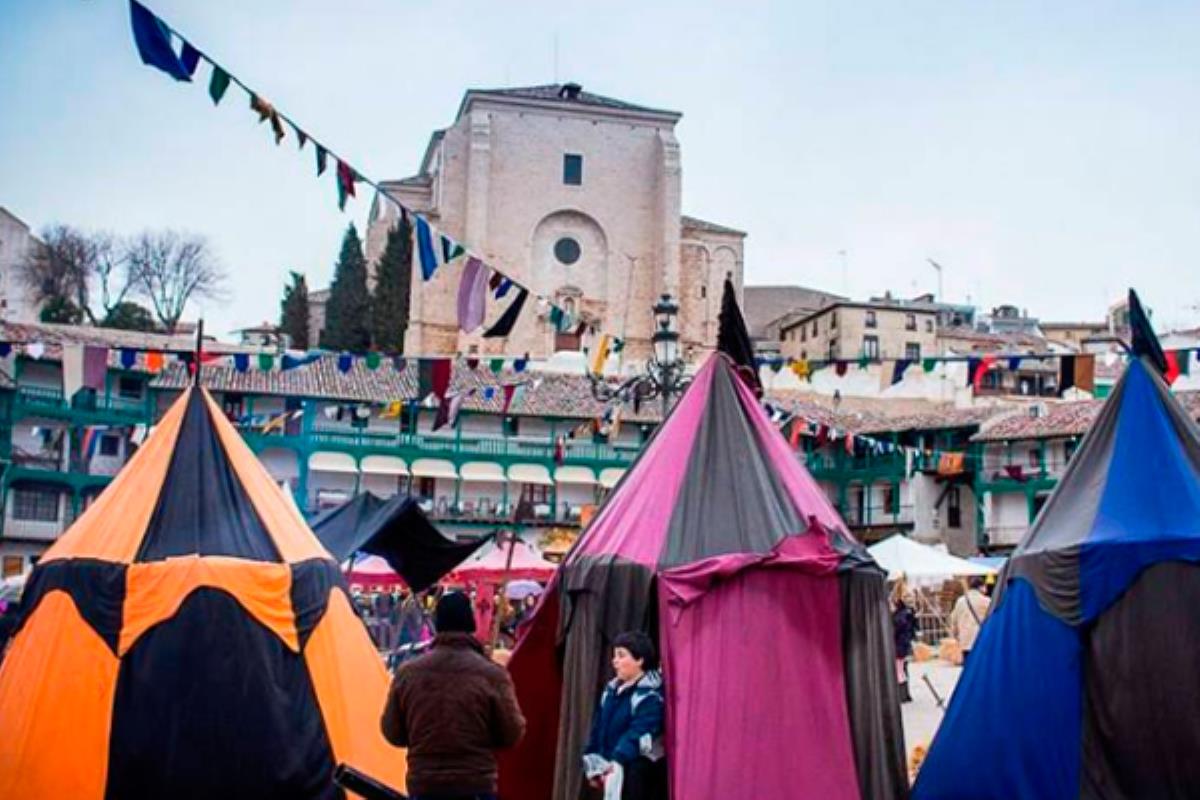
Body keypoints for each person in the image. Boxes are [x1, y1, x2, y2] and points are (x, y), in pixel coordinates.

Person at [381, 591, 525, 800]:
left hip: (424, 785)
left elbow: (392, 733)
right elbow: (512, 734)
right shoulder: (492, 675)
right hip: (476, 784)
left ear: (438, 624)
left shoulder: (408, 674)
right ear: (470, 623)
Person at [583, 631, 666, 800]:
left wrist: (618, 759)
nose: (615, 662)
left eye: (621, 656)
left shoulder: (649, 695)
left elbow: (640, 731)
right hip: (610, 771)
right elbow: (598, 728)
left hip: (635, 774)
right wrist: (594, 763)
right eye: (614, 656)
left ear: (639, 660)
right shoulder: (611, 692)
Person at [950, 576, 992, 666]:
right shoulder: (986, 601)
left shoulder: (960, 601)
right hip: (982, 640)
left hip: (965, 640)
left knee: (968, 668)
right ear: (981, 587)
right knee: (982, 667)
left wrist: (956, 635)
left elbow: (954, 619)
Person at [891, 581, 918, 703]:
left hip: (899, 645)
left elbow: (897, 628)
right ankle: (905, 694)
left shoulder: (901, 614)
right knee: (902, 669)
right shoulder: (910, 612)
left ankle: (902, 695)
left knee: (899, 670)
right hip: (905, 644)